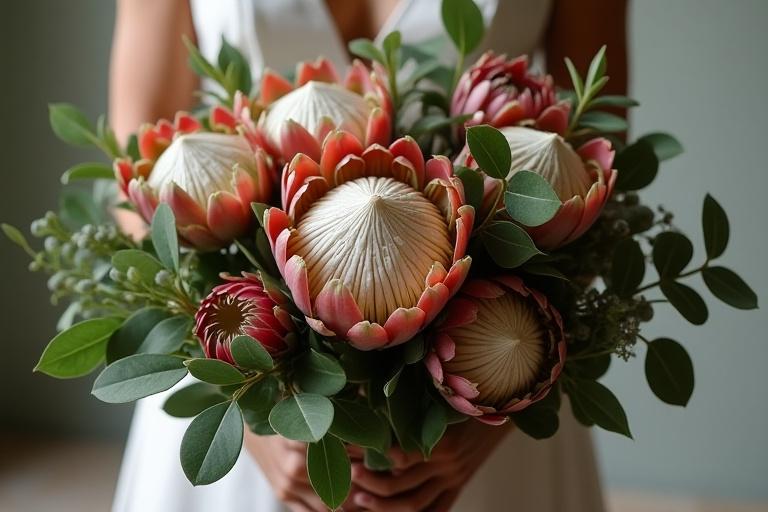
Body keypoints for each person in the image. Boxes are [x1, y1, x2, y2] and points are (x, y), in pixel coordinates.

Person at [110, 1, 627, 511]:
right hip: (242, 373)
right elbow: (137, 178)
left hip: (493, 362)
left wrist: (504, 408)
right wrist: (249, 411)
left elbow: (596, 174)